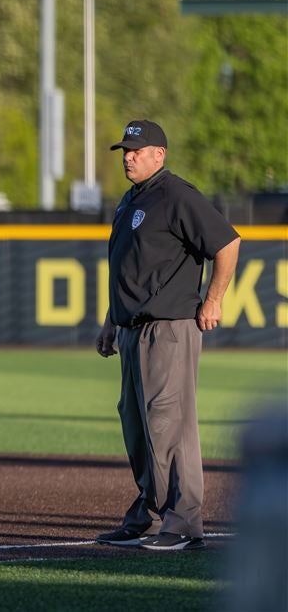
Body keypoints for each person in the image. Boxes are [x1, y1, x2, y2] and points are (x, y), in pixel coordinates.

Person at [94, 119, 240, 551]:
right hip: (131, 328)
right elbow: (128, 269)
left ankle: (183, 521)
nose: (128, 156)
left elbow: (228, 244)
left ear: (160, 154)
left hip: (169, 327)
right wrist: (110, 320)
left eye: (137, 149)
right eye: (125, 149)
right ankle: (147, 510)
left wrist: (213, 299)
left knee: (169, 425)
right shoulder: (130, 201)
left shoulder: (176, 194)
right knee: (136, 423)